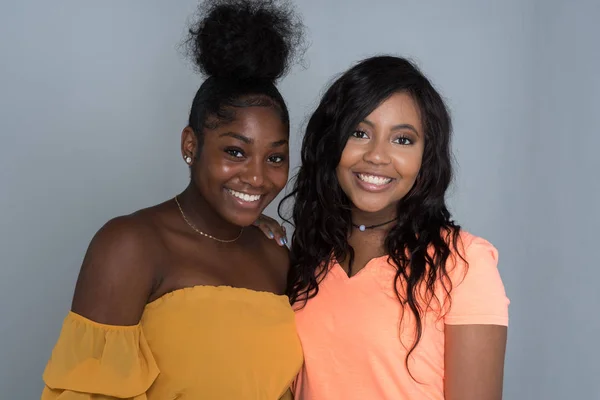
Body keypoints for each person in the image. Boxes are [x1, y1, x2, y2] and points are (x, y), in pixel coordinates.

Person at [41, 1, 305, 398]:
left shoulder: (275, 254)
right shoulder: (131, 245)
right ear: (191, 144)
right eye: (235, 151)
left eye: (275, 158)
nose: (256, 176)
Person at [256, 56, 509, 400]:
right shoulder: (308, 254)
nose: (377, 156)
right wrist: (245, 226)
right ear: (333, 142)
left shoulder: (465, 264)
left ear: (425, 156)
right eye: (360, 133)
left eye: (402, 140)